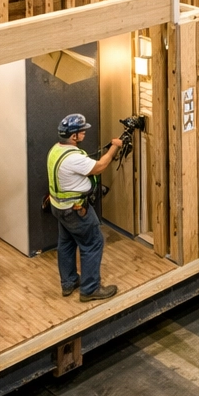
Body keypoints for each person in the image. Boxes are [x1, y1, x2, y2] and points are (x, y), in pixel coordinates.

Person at [47, 113, 124, 301]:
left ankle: (69, 282)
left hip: (59, 207)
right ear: (73, 136)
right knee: (93, 243)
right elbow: (99, 167)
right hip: (76, 210)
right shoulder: (73, 158)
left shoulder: (56, 150)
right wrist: (115, 147)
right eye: (82, 131)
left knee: (66, 244)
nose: (84, 134)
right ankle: (90, 289)